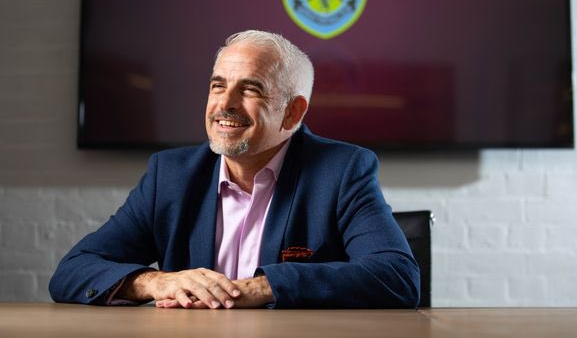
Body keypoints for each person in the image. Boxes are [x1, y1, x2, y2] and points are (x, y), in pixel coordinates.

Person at [49, 30, 420, 309]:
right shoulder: (171, 175)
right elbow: (74, 271)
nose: (224, 104)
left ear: (293, 112)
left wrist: (262, 287)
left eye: (250, 89)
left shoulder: (340, 171)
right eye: (218, 85)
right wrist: (156, 282)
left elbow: (397, 276)